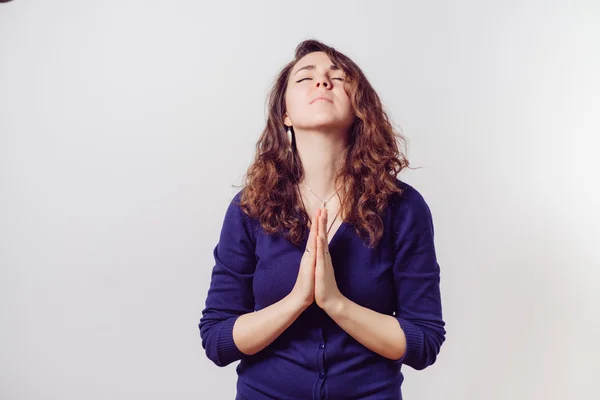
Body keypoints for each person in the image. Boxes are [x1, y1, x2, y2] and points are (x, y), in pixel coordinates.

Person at [198, 39, 446, 400]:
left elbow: (423, 342)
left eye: (338, 76)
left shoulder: (403, 207)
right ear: (285, 113)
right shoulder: (250, 207)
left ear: (359, 106)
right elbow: (217, 340)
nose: (323, 82)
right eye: (305, 78)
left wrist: (335, 302)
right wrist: (297, 299)